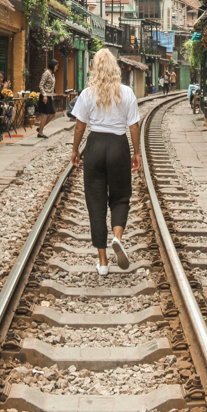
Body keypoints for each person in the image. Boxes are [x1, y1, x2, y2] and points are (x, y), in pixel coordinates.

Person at [70, 48, 141, 276]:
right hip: (118, 145)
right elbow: (134, 126)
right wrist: (136, 152)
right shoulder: (127, 93)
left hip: (95, 146)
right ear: (115, 69)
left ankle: (102, 263)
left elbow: (80, 126)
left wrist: (75, 150)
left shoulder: (87, 94)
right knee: (121, 196)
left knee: (96, 202)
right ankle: (117, 238)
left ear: (95, 69)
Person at [37, 58, 59, 138]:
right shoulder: (46, 73)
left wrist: (51, 96)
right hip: (45, 96)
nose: (57, 68)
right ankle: (40, 133)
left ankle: (40, 128)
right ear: (53, 66)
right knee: (45, 115)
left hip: (50, 96)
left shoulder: (52, 74)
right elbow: (41, 85)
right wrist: (44, 95)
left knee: (52, 113)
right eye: (56, 66)